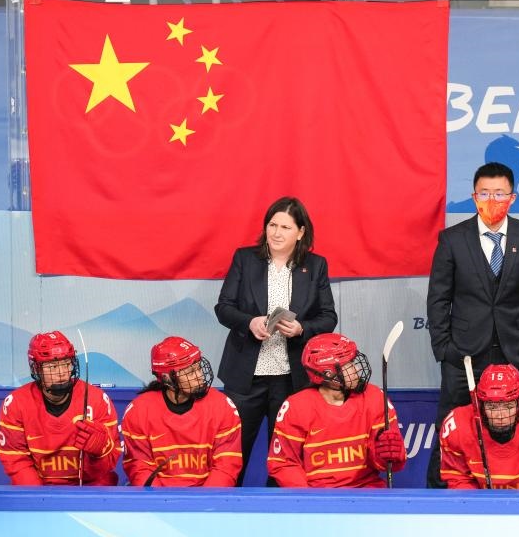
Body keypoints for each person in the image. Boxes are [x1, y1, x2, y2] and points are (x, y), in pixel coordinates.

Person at [425, 162, 519, 488]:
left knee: (509, 429)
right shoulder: (452, 240)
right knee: (450, 427)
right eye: (484, 193)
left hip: (515, 353)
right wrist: (444, 349)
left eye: (499, 194)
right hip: (462, 357)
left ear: (512, 198)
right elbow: (438, 298)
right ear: (474, 197)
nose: (491, 200)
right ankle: (438, 498)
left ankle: (509, 493)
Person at [214, 196, 338, 485]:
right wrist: (250, 322)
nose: (277, 233)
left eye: (285, 227)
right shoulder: (245, 259)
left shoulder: (315, 266)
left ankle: (281, 507)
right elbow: (224, 307)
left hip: (291, 380)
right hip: (246, 377)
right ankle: (226, 506)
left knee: (286, 461)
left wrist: (301, 328)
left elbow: (328, 316)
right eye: (272, 225)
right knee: (232, 457)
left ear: (301, 232)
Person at [266, 333, 406, 488]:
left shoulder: (375, 397)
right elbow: (284, 464)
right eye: (349, 364)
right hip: (317, 494)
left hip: (367, 489)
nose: (356, 368)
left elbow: (390, 465)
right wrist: (307, 498)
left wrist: (389, 454)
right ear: (328, 373)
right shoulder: (296, 406)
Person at [0, 331, 119, 485]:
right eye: (52, 367)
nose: (61, 373)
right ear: (36, 369)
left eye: (66, 364)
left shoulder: (97, 400)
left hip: (88, 486)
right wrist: (38, 496)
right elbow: (16, 459)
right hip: (40, 488)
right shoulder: (16, 403)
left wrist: (101, 451)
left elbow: (108, 465)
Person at [122, 337, 243, 487]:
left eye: (198, 368)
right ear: (166, 378)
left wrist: (205, 499)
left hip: (207, 496)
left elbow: (226, 465)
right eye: (190, 372)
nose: (199, 376)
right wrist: (161, 499)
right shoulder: (139, 411)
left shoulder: (222, 406)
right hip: (158, 498)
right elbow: (140, 467)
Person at [439, 363, 519, 489]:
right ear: (481, 404)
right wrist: (479, 503)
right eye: (492, 407)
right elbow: (457, 479)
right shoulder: (457, 426)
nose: (500, 415)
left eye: (508, 406)